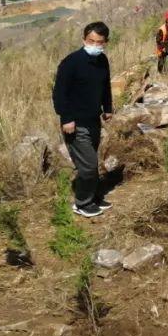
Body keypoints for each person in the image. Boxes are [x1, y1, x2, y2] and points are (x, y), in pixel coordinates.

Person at [52, 21, 113, 218]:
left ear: (105, 42)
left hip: (93, 119)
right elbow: (59, 94)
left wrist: (108, 108)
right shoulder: (71, 63)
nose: (95, 45)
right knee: (88, 165)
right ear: (83, 40)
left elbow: (105, 87)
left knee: (91, 162)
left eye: (99, 42)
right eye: (91, 41)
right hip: (75, 123)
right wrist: (67, 119)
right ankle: (82, 202)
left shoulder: (102, 61)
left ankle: (94, 197)